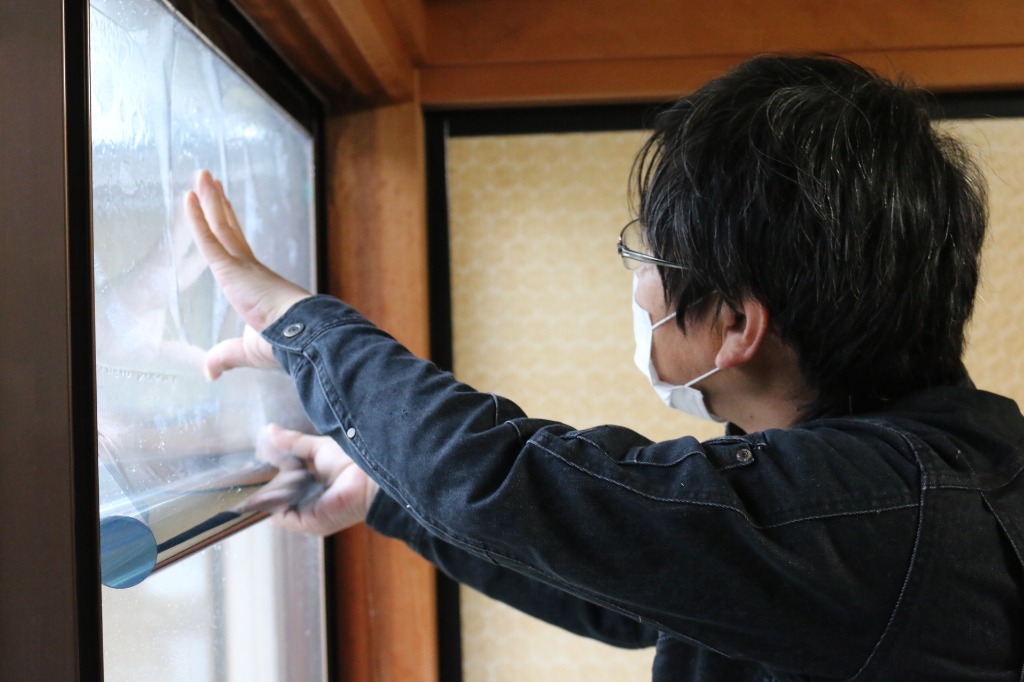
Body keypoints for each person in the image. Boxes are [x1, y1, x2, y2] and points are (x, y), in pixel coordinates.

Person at [185, 55, 1024, 680]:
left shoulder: (878, 516)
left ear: (736, 324)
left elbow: (507, 479)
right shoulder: (944, 476)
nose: (638, 279)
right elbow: (637, 582)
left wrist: (298, 323)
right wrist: (381, 492)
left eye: (646, 252)